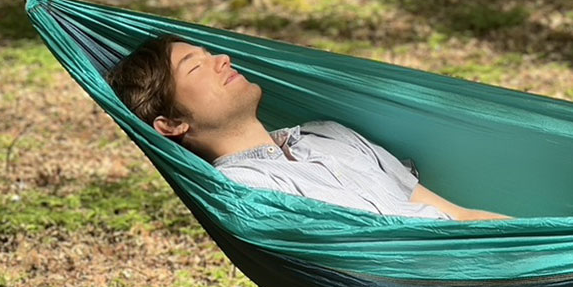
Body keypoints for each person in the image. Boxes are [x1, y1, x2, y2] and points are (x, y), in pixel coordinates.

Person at [106, 36, 510, 222]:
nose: (224, 59)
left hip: (498, 260)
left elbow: (458, 216)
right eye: (196, 65)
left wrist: (558, 248)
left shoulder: (330, 135)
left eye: (213, 52)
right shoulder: (243, 191)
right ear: (173, 124)